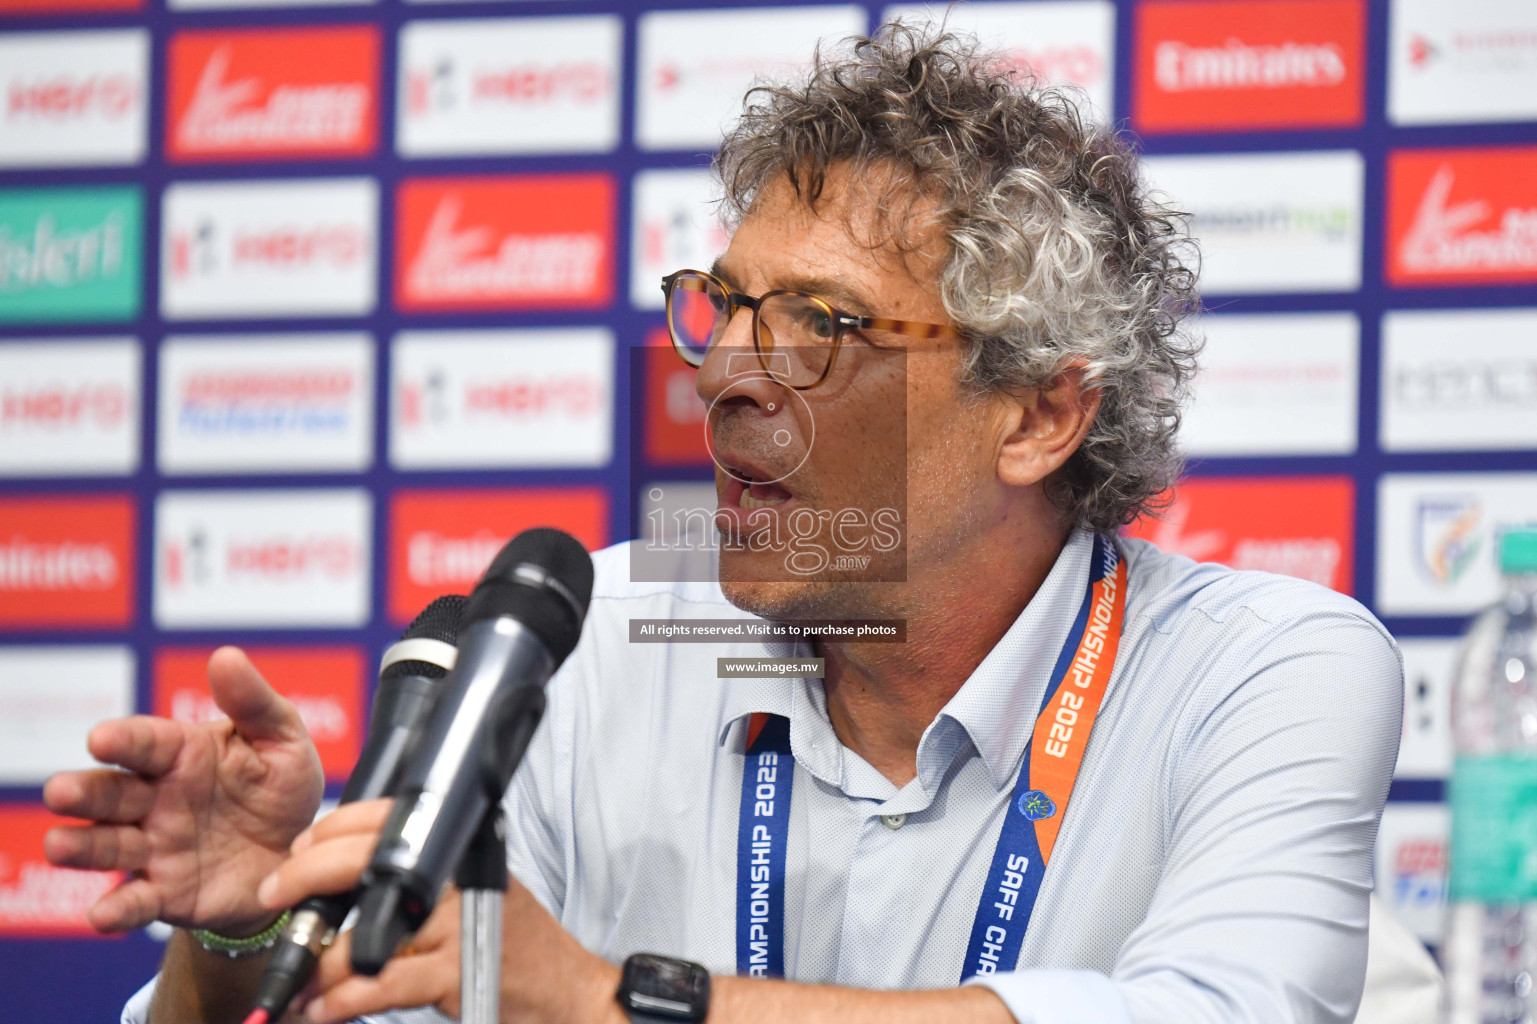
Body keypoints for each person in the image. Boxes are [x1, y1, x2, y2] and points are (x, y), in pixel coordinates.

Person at [45, 26, 1407, 1024]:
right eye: (726, 307)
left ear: (1038, 417)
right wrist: (250, 936)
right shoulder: (591, 639)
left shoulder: (1262, 669)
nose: (725, 375)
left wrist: (604, 1003)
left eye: (821, 325)